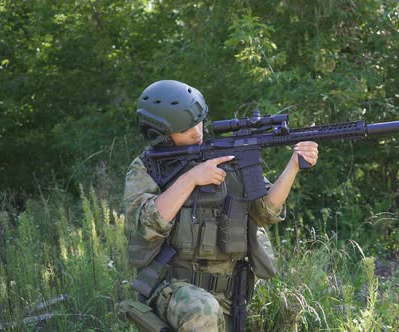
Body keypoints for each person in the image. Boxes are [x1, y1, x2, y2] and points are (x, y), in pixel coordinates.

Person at [122, 80, 318, 331]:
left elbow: (265, 212)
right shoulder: (146, 168)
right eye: (186, 129)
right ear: (160, 135)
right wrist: (191, 179)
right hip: (172, 288)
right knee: (202, 310)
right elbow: (146, 225)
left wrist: (293, 166)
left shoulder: (227, 156)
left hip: (231, 292)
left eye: (198, 121)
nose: (197, 132)